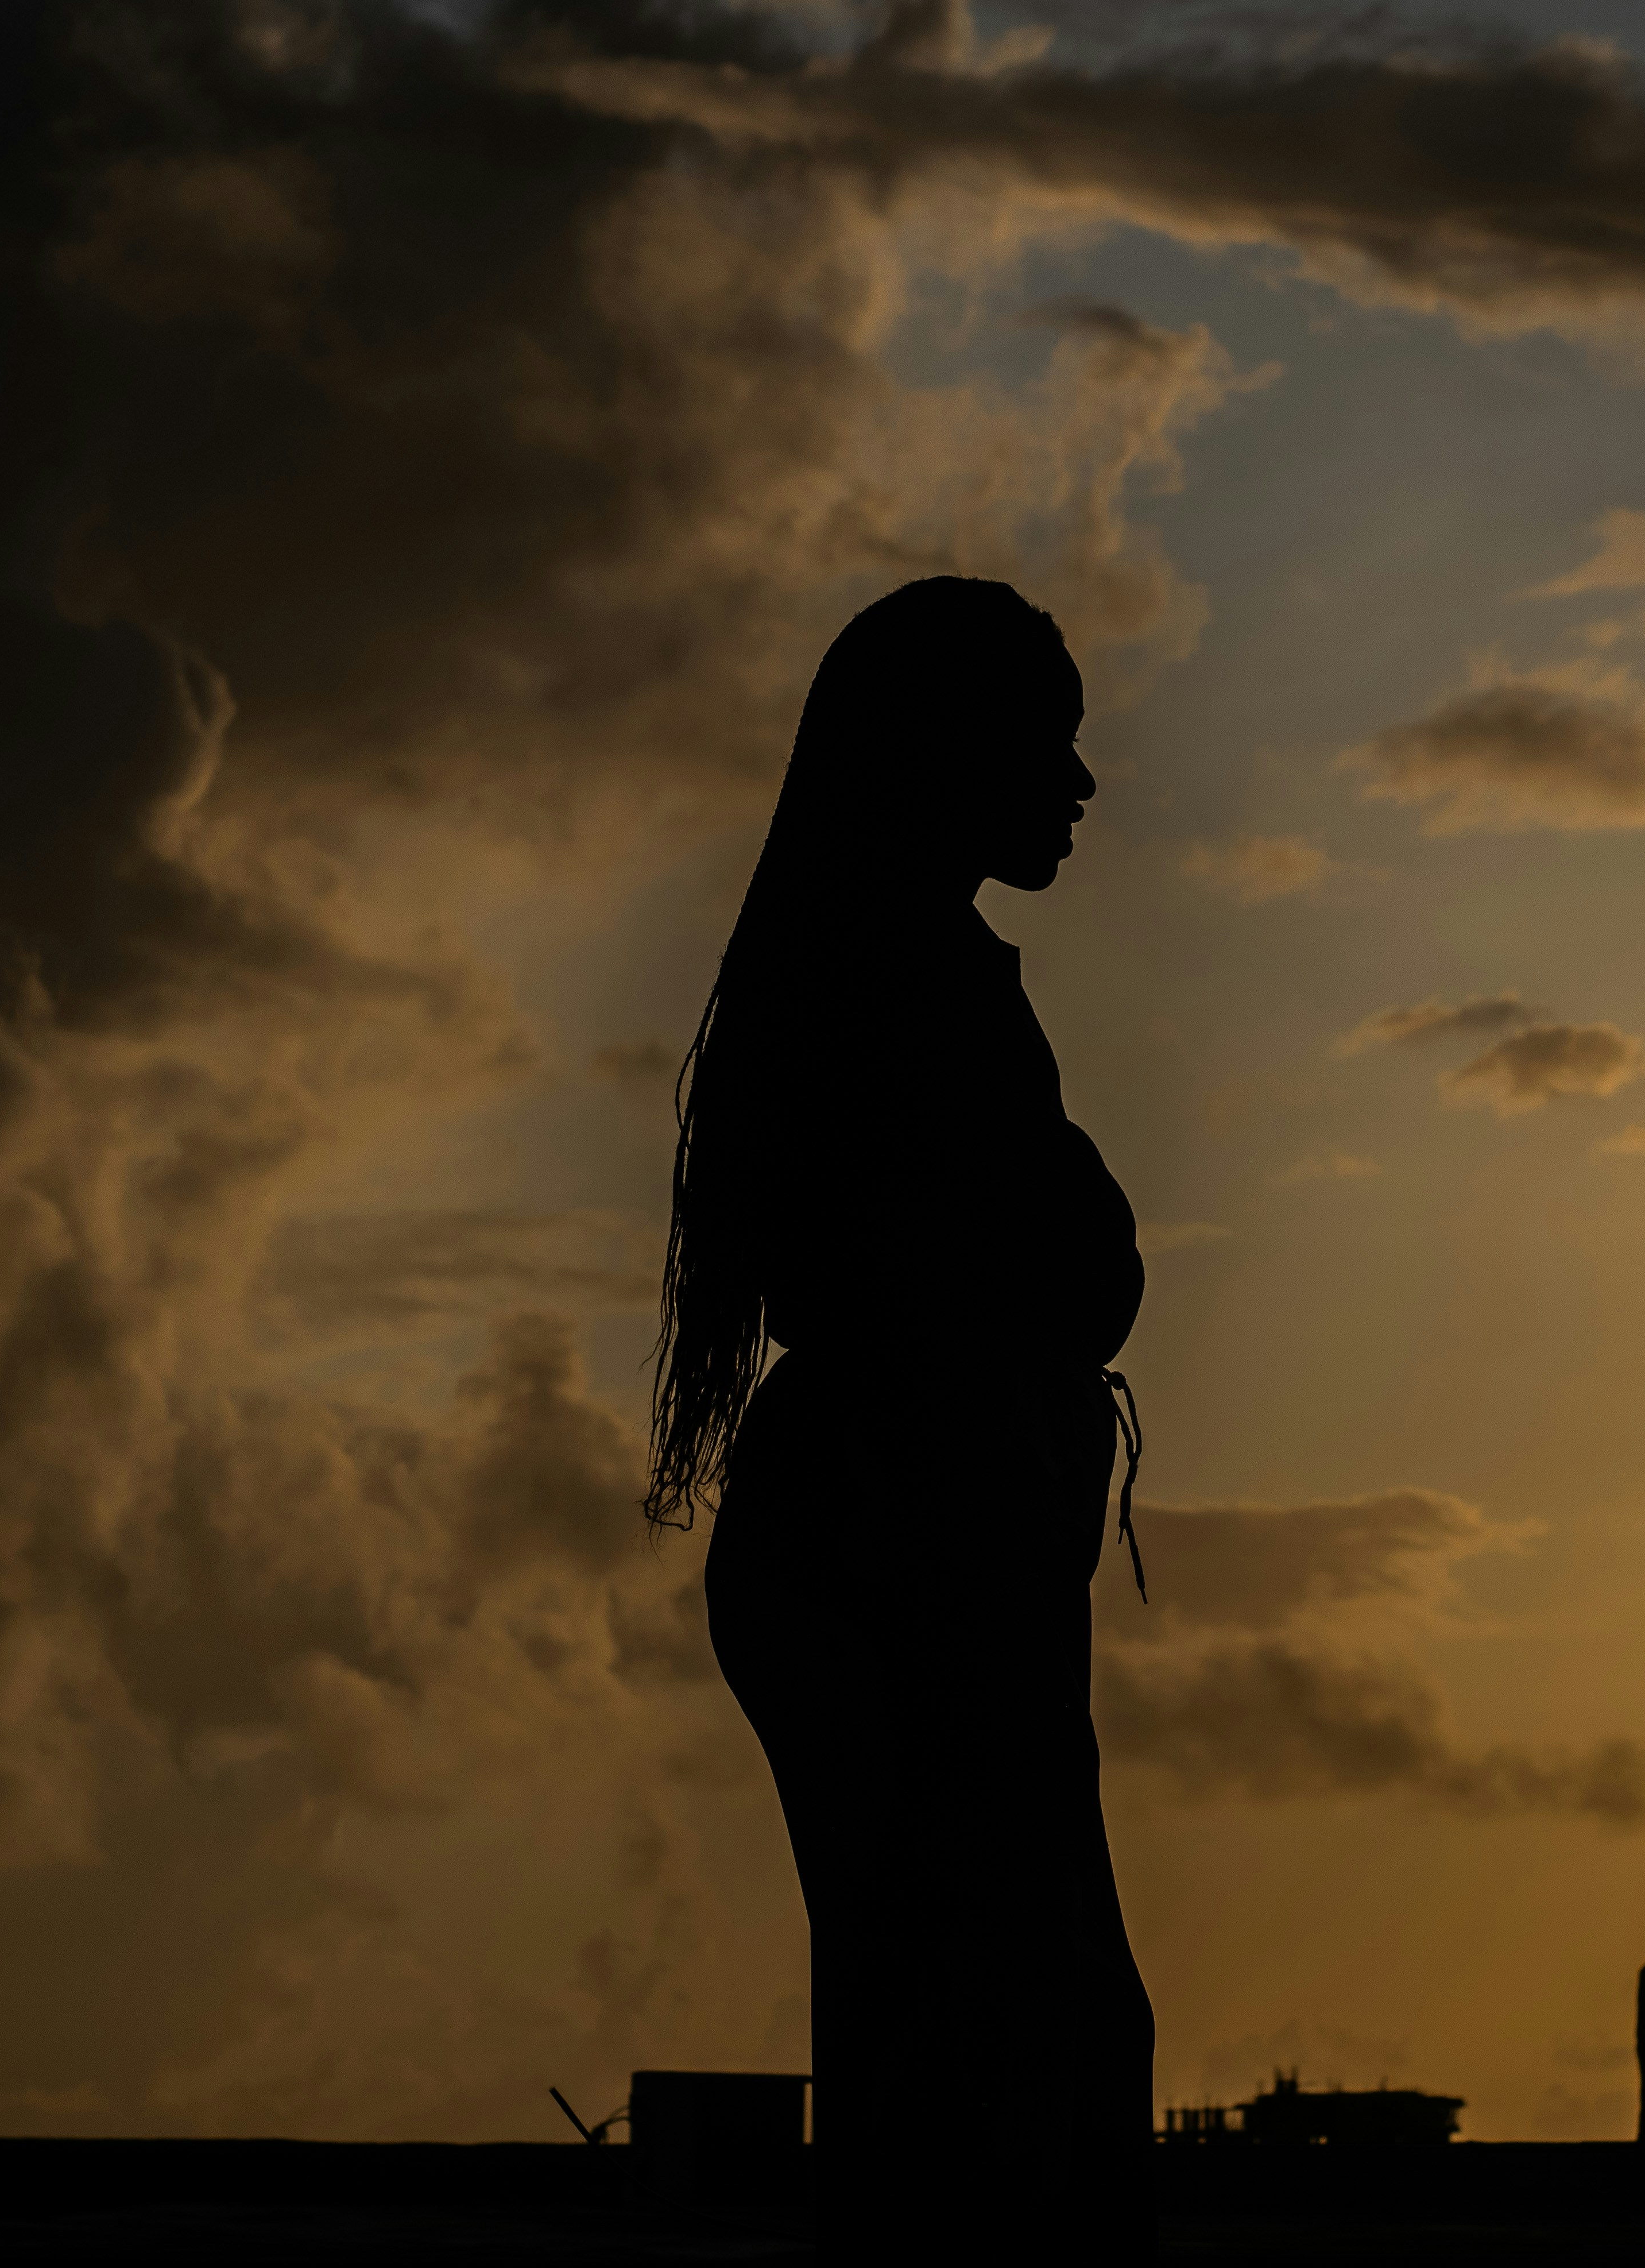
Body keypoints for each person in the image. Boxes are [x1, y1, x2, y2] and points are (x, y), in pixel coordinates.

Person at [649, 578, 1154, 2261]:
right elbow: (969, 1270)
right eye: (1048, 744)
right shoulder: (908, 997)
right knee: (997, 2020)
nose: (1078, 786)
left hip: (896, 1529)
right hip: (914, 1539)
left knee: (960, 2014)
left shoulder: (884, 980)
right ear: (950, 756)